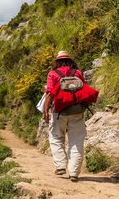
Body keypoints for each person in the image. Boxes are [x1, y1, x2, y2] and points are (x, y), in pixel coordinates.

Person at [43, 51, 87, 182]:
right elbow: (84, 89)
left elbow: (49, 94)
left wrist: (46, 111)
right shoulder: (77, 72)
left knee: (56, 137)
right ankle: (74, 173)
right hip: (77, 110)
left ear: (57, 61)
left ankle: (61, 166)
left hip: (59, 111)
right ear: (70, 60)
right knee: (77, 141)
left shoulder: (52, 74)